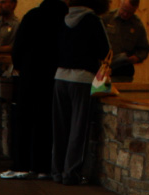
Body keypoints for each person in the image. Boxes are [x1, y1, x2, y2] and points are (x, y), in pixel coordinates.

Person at [2, 0, 68, 180]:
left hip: (30, 74)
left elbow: (18, 46)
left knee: (24, 120)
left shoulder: (32, 16)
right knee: (46, 122)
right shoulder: (64, 18)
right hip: (53, 75)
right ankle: (43, 166)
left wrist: (19, 66)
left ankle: (21, 165)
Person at [52, 0, 109, 185]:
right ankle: (71, 173)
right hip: (82, 79)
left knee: (60, 128)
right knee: (78, 128)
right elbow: (105, 51)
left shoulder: (61, 19)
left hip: (60, 77)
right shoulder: (93, 20)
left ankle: (57, 171)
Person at [102, 0, 149, 82]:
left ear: (135, 10)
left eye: (130, 12)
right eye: (124, 10)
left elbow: (144, 48)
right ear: (120, 3)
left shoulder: (137, 25)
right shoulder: (106, 18)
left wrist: (137, 57)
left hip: (123, 74)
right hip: (103, 71)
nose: (125, 14)